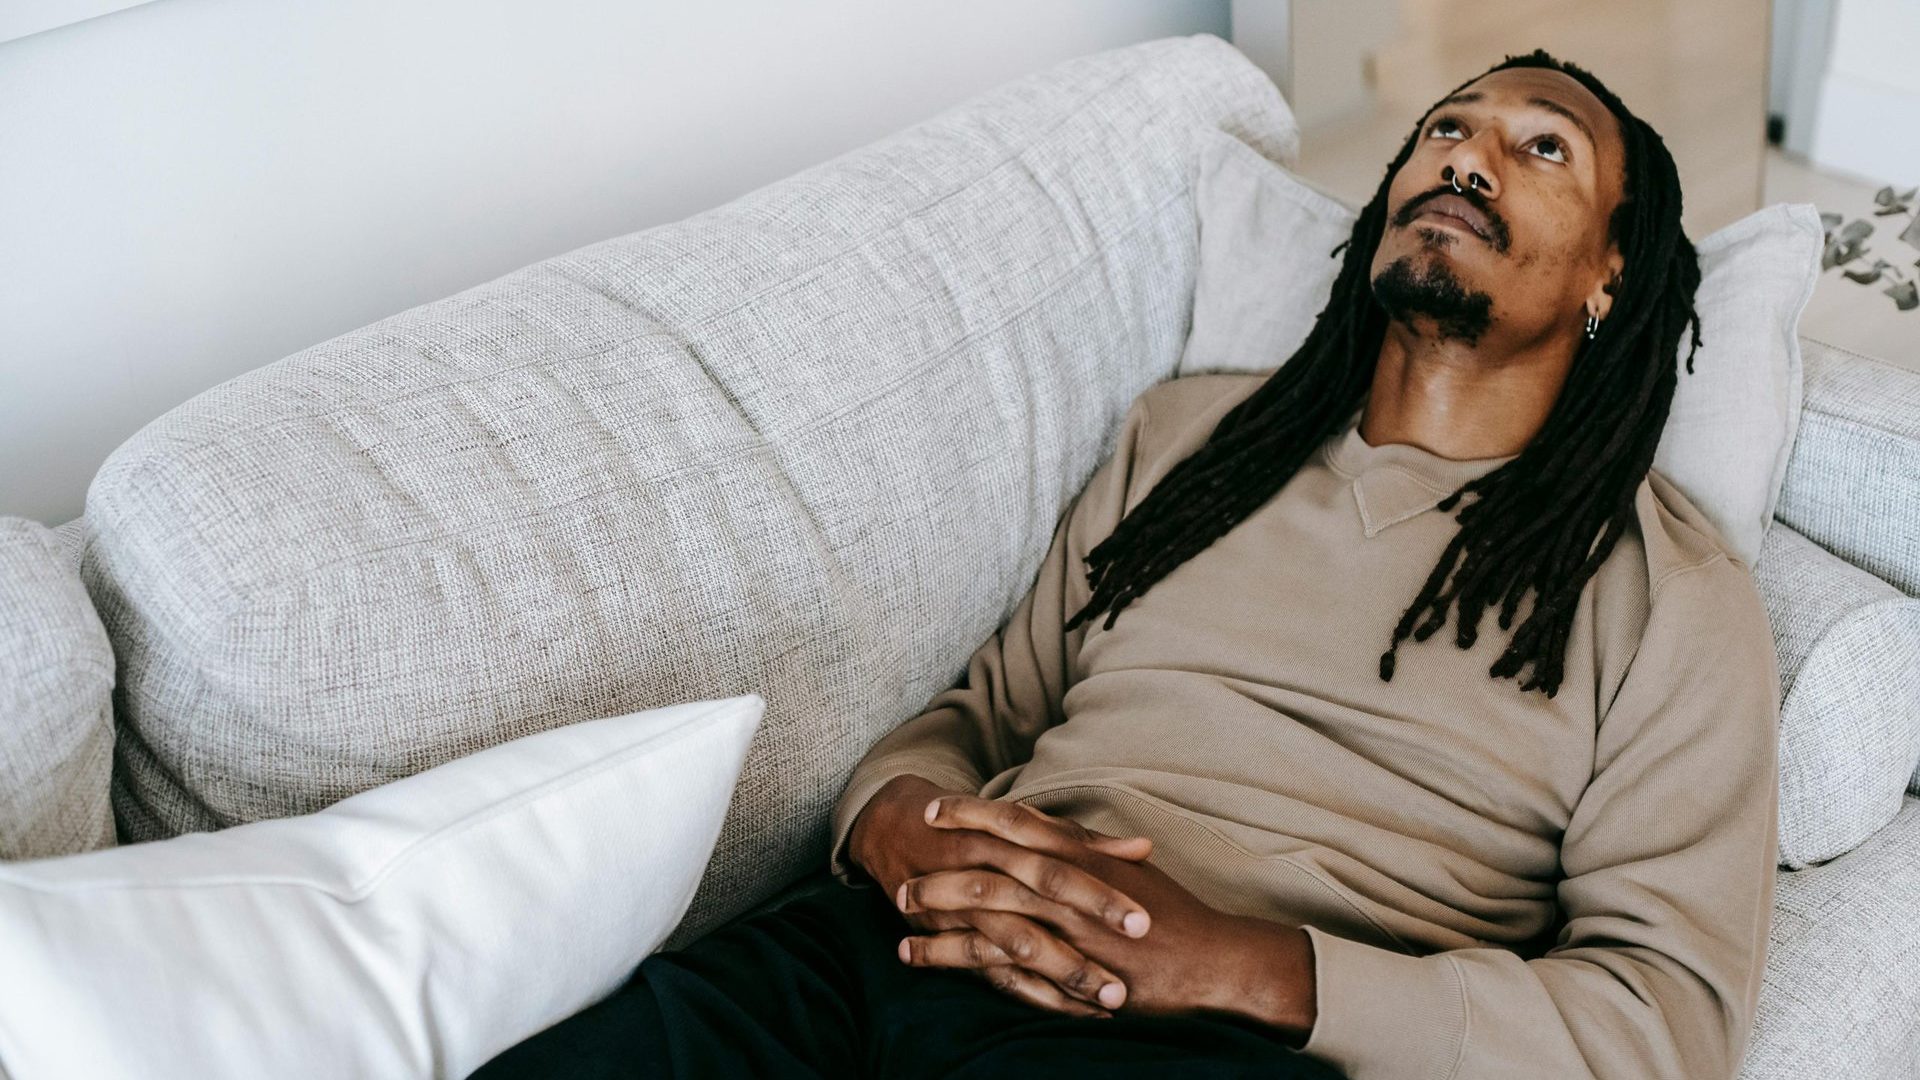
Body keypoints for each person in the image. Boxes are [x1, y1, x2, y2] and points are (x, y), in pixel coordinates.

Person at [473, 47, 1780, 1080]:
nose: (1466, 156)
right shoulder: (1190, 438)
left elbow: (1662, 1022)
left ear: (1614, 272)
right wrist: (896, 822)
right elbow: (986, 715)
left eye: (1538, 146)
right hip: (891, 949)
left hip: (1220, 1044)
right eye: (1446, 129)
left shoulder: (1670, 596)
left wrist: (1242, 966)